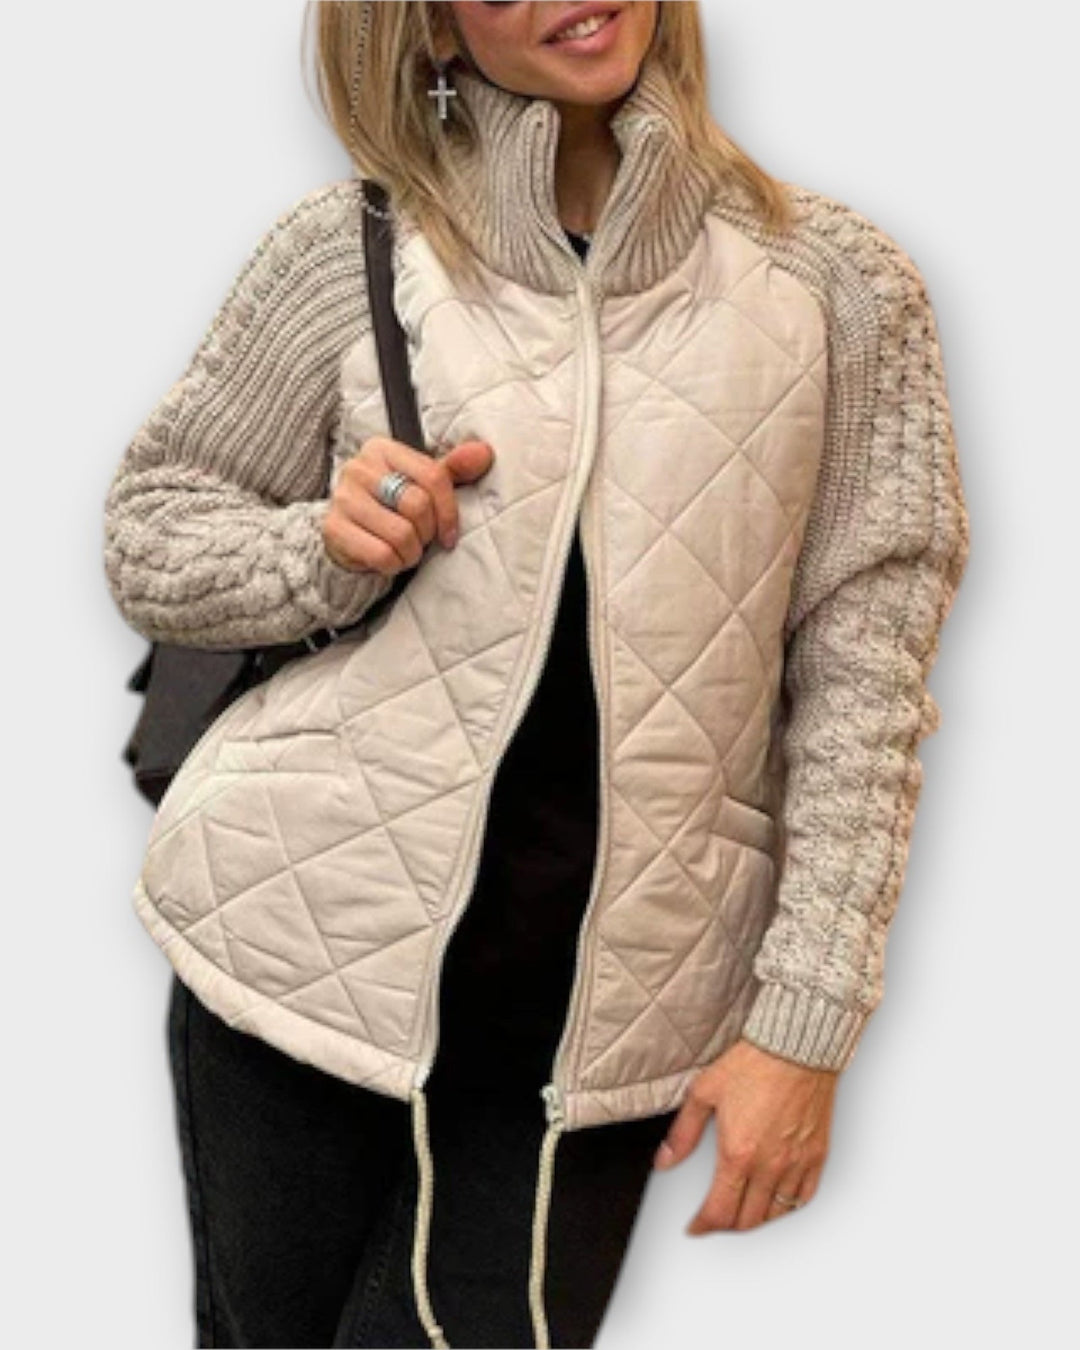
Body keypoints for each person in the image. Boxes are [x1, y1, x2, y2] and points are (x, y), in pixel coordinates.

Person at [102, 2, 971, 1347]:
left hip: (595, 1038)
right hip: (292, 958)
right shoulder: (350, 251)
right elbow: (153, 529)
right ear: (433, 29)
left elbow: (867, 684)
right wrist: (321, 547)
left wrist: (806, 1025)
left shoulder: (837, 288)